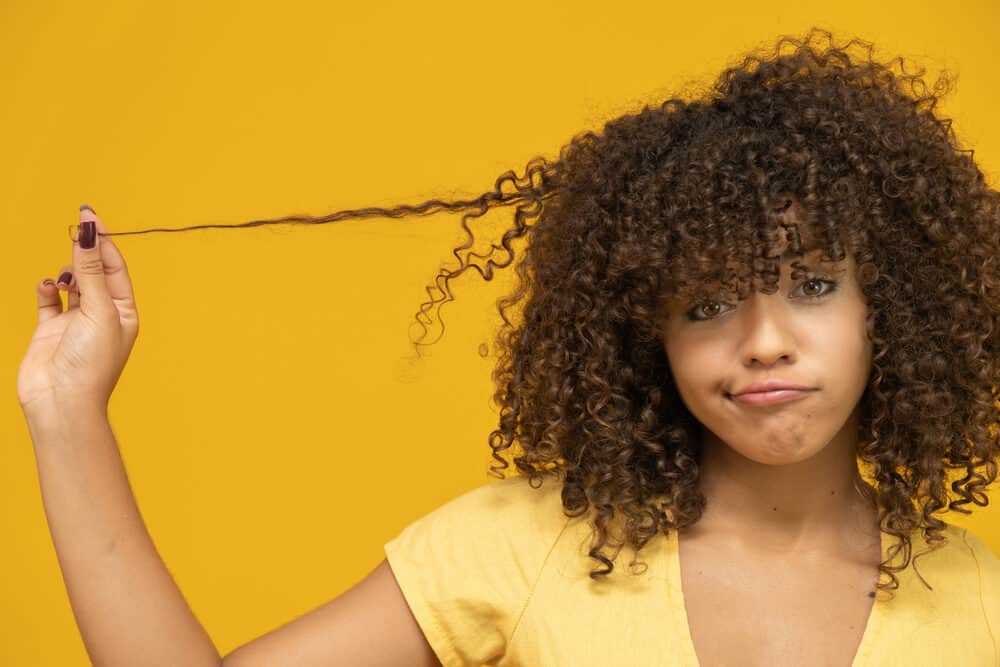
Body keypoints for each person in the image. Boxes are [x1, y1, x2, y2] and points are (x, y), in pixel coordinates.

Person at [17, 27, 1000, 667]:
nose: (763, 344)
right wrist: (67, 412)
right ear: (645, 331)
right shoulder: (525, 547)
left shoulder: (983, 606)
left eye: (813, 287)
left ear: (893, 306)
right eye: (705, 305)